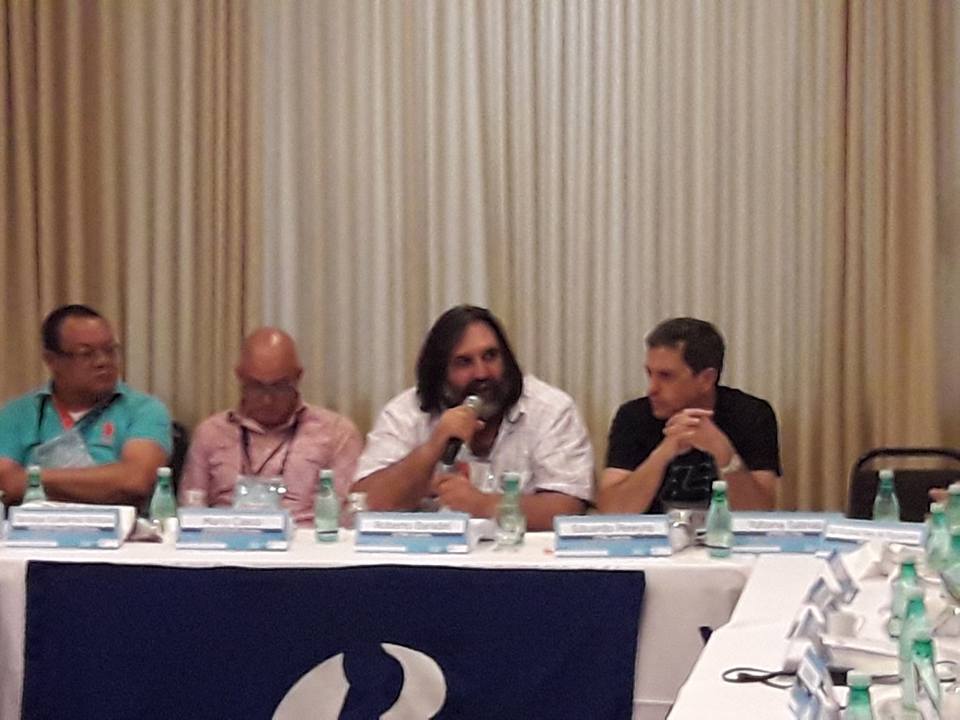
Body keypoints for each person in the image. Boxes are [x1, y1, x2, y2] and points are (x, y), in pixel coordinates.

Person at [352, 305, 593, 530]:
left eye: (490, 356)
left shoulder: (551, 409)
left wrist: (483, 505)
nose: (481, 373)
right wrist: (432, 448)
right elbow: (363, 505)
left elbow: (568, 508)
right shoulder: (407, 413)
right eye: (464, 362)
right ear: (439, 372)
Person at [179, 327, 363, 526]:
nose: (267, 399)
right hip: (226, 537)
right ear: (239, 376)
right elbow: (191, 507)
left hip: (305, 540)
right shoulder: (211, 433)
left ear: (298, 377)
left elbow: (347, 518)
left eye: (279, 387)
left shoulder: (336, 432)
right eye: (257, 386)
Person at [599, 317, 780, 513]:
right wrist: (663, 453)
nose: (652, 389)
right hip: (654, 532)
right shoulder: (633, 416)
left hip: (724, 531)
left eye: (666, 376)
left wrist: (724, 453)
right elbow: (612, 512)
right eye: (650, 374)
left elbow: (759, 512)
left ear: (706, 379)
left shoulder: (750, 414)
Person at [0, 304, 171, 505]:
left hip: (120, 524)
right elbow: (6, 484)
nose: (103, 362)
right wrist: (105, 483)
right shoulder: (17, 414)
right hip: (34, 524)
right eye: (87, 353)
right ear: (51, 360)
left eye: (110, 350)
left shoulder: (143, 410)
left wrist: (33, 479)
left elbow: (135, 480)